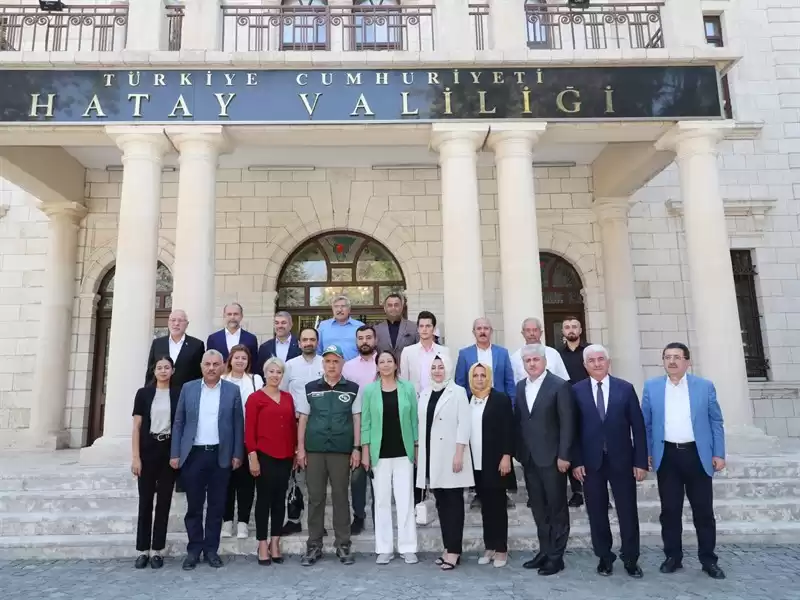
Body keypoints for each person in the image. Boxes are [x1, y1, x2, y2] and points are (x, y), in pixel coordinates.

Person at [642, 342, 726, 580]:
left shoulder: (704, 386)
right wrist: (647, 452)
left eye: (677, 357)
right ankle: (673, 557)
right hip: (667, 456)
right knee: (669, 511)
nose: (672, 361)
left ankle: (708, 560)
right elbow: (646, 424)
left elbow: (715, 421)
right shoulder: (652, 387)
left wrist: (718, 453)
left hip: (697, 456)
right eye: (667, 357)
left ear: (687, 361)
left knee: (703, 512)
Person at [571, 344, 647, 578]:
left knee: (627, 512)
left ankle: (631, 558)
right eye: (591, 360)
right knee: (596, 513)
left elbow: (639, 427)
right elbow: (572, 430)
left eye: (600, 359)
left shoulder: (625, 389)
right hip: (591, 464)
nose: (596, 363)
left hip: (623, 461)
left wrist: (641, 461)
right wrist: (576, 461)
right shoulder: (576, 391)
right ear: (585, 366)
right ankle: (604, 557)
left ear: (608, 361)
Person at [170, 349, 244, 570]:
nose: (211, 368)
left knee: (216, 506)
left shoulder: (232, 390)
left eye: (216, 364)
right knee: (194, 507)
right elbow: (179, 422)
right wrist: (175, 452)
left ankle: (211, 550)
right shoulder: (188, 388)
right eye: (207, 364)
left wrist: (237, 453)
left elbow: (238, 424)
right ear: (201, 366)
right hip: (193, 455)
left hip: (220, 456)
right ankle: (194, 550)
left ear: (223, 366)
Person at [296, 344, 362, 566]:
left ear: (342, 363)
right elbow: (303, 418)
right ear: (322, 363)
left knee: (341, 497)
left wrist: (356, 448)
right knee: (315, 498)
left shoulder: (353, 388)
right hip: (314, 450)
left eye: (336, 361)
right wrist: (301, 448)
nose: (331, 365)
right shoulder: (310, 388)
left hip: (341, 450)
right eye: (328, 361)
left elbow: (356, 420)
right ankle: (314, 545)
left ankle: (343, 544)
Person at [514, 344, 573, 576]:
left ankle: (557, 556)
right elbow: (520, 421)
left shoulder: (559, 386)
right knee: (539, 509)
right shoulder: (520, 387)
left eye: (535, 360)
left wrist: (565, 455)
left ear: (544, 361)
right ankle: (545, 551)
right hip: (529, 459)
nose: (532, 364)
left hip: (553, 459)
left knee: (557, 508)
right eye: (527, 361)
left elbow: (568, 423)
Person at [361, 350, 419, 565]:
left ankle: (408, 546)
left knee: (406, 501)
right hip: (379, 454)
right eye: (381, 361)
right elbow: (365, 423)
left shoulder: (408, 389)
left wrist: (417, 448)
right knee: (382, 502)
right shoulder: (369, 391)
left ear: (396, 365)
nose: (385, 365)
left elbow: (414, 420)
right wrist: (365, 451)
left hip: (404, 453)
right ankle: (384, 548)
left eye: (389, 361)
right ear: (377, 366)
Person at [416, 354, 473, 571]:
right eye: (434, 367)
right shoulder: (425, 392)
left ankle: (454, 551)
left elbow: (464, 424)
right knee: (441, 504)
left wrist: (459, 453)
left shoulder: (457, 392)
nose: (437, 371)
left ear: (447, 369)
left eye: (441, 367)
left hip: (451, 455)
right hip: (432, 456)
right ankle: (448, 547)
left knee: (454, 505)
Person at [454, 317, 516, 509]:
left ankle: (502, 491)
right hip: (474, 407)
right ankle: (478, 492)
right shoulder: (465, 354)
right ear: (474, 332)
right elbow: (460, 383)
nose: (483, 331)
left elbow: (509, 382)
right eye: (479, 328)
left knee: (499, 448)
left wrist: (510, 406)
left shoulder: (502, 353)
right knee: (477, 451)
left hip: (497, 407)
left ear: (491, 331)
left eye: (486, 328)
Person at [245, 357, 297, 566]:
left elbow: (292, 427)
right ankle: (262, 543)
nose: (275, 376)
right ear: (265, 374)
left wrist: (294, 452)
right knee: (264, 501)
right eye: (272, 372)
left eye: (279, 372)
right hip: (264, 455)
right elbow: (249, 431)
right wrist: (253, 457)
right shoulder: (255, 398)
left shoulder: (287, 398)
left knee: (279, 500)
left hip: (285, 456)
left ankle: (275, 542)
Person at [131, 355, 180, 570]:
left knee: (164, 503)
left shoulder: (178, 394)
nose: (163, 371)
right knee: (145, 503)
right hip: (148, 450)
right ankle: (143, 550)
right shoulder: (143, 394)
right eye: (159, 367)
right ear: (154, 371)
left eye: (166, 367)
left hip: (168, 450)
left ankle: (158, 550)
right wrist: (135, 457)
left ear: (172, 370)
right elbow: (137, 427)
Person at [279, 326, 324, 536]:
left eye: (312, 340)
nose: (308, 343)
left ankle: (317, 522)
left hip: (320, 425)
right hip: (295, 424)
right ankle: (294, 518)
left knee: (317, 476)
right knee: (294, 475)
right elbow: (284, 396)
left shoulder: (325, 364)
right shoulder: (289, 366)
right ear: (299, 343)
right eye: (305, 340)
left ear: (317, 342)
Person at [468, 362, 514, 569]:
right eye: (475, 375)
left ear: (488, 377)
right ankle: (489, 546)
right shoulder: (468, 400)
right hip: (475, 462)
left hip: (496, 461)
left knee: (497, 506)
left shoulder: (500, 399)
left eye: (482, 375)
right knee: (485, 507)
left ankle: (501, 549)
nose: (479, 379)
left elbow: (508, 429)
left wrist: (506, 456)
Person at [220, 345, 264, 539]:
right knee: (226, 481)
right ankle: (227, 521)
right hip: (225, 437)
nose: (240, 361)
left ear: (248, 362)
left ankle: (243, 522)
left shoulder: (255, 380)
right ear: (230, 360)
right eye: (237, 358)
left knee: (246, 481)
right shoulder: (221, 380)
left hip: (249, 435)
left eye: (244, 358)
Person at [342, 325, 379, 535]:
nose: (364, 341)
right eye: (361, 338)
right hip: (355, 425)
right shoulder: (348, 367)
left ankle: (378, 516)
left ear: (375, 340)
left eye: (368, 337)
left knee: (378, 474)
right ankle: (359, 516)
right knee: (357, 476)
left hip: (380, 425)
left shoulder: (382, 363)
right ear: (356, 342)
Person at [145, 309, 204, 390]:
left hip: (186, 393)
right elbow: (150, 371)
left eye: (180, 321)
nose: (176, 324)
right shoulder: (158, 343)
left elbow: (199, 374)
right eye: (173, 320)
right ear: (168, 322)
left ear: (187, 324)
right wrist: (147, 393)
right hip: (161, 392)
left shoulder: (197, 345)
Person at [400, 311, 451, 395]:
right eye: (421, 326)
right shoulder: (407, 352)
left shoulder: (444, 351)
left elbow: (448, 378)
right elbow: (404, 382)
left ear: (434, 329)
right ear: (418, 329)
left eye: (428, 326)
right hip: (415, 400)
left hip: (438, 399)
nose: (424, 329)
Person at [510, 317, 569, 384]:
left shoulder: (553, 354)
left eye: (535, 330)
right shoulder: (515, 357)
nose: (532, 333)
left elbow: (563, 380)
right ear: (523, 333)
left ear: (541, 332)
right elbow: (514, 383)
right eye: (528, 330)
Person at [255, 311, 300, 382]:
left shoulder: (300, 345)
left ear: (291, 325)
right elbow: (260, 372)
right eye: (277, 323)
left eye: (283, 323)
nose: (280, 326)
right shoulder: (265, 347)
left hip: (293, 389)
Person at [317, 295, 364, 360]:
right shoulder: (323, 326)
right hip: (330, 368)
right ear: (332, 309)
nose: (339, 309)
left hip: (353, 368)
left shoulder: (359, 326)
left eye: (343, 306)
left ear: (349, 310)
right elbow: (318, 350)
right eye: (336, 306)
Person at [373, 293, 419, 360]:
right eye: (390, 305)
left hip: (407, 369)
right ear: (385, 308)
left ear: (402, 307)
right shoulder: (376, 330)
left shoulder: (414, 327)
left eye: (396, 305)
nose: (393, 308)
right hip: (385, 369)